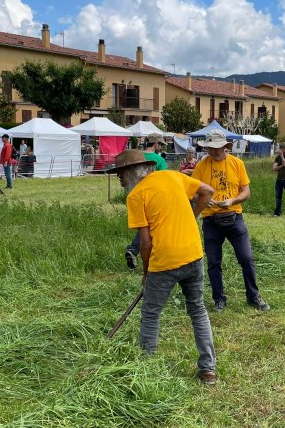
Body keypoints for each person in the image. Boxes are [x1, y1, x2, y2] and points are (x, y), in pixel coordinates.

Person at [107, 149, 218, 385]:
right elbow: (207, 192)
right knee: (197, 310)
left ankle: (146, 371)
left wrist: (147, 273)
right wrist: (191, 214)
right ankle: (208, 370)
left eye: (120, 175)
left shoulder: (136, 196)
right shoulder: (173, 176)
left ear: (132, 173)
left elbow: (145, 243)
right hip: (193, 254)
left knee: (150, 314)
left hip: (164, 261)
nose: (119, 180)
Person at [191, 130, 271, 312]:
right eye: (210, 148)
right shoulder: (201, 166)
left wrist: (232, 201)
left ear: (226, 147)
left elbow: (246, 192)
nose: (213, 152)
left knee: (246, 257)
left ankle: (253, 296)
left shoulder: (237, 164)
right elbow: (192, 190)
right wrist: (203, 199)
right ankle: (219, 299)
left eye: (217, 148)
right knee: (213, 261)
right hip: (211, 219)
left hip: (234, 217)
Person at [123, 134, 169, 268]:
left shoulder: (137, 157)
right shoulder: (158, 160)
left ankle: (133, 250)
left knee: (143, 226)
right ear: (156, 145)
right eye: (160, 145)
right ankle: (151, 255)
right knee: (154, 226)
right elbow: (163, 179)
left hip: (135, 196)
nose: (160, 147)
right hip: (155, 196)